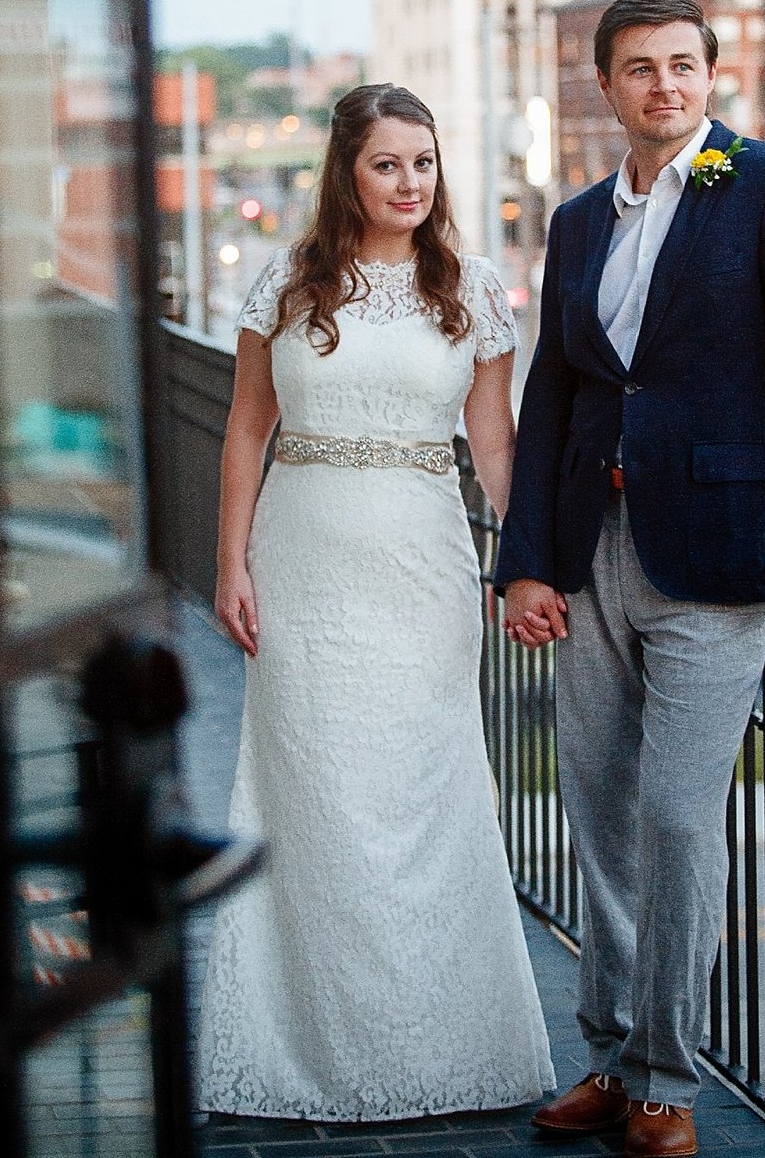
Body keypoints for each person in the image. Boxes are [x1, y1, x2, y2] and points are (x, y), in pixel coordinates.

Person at [495, 0, 765, 1158]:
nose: (664, 86)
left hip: (721, 553)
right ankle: (609, 1051)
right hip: (592, 549)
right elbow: (557, 393)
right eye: (640, 69)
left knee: (682, 820)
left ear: (711, 74)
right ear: (607, 87)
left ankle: (668, 1086)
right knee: (596, 806)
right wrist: (526, 560)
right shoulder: (581, 220)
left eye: (683, 65)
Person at [197, 83, 555, 1123]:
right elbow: (244, 434)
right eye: (387, 164)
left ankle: (442, 1051)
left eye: (425, 164)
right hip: (302, 564)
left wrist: (528, 562)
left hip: (423, 571)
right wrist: (231, 565)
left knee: (423, 798)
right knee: (314, 799)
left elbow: (496, 451)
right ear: (346, 172)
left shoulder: (474, 290)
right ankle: (309, 1052)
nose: (409, 183)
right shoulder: (289, 282)